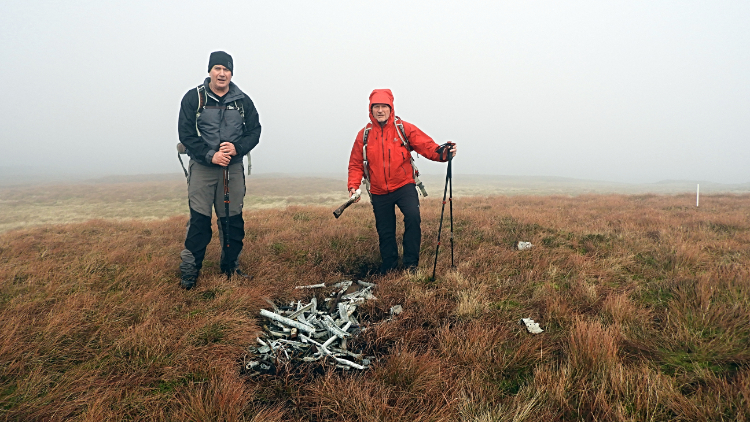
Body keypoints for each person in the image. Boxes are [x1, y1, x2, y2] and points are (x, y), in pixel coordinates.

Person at [347, 89, 457, 274]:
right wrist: (353, 186)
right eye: (376, 107)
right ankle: (389, 266)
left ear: (391, 108)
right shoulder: (364, 135)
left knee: (413, 218)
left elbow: (427, 147)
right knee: (385, 230)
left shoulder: (403, 128)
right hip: (379, 190)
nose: (380, 110)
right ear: (371, 109)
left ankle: (410, 265)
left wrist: (444, 153)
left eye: (384, 106)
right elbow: (356, 163)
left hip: (404, 185)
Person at [177, 51, 261, 289]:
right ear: (210, 71)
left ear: (231, 73)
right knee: (199, 221)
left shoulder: (243, 101)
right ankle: (190, 271)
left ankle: (230, 266)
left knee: (232, 221)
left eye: (226, 69)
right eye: (217, 68)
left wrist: (237, 148)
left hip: (232, 168)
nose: (221, 73)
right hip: (203, 168)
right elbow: (186, 134)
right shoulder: (194, 98)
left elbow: (254, 131)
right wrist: (210, 154)